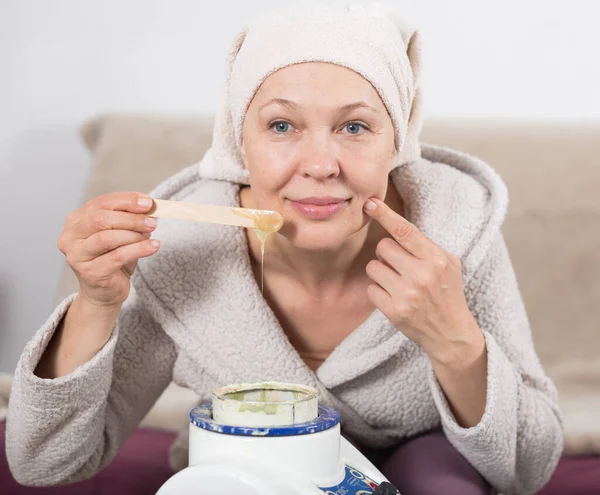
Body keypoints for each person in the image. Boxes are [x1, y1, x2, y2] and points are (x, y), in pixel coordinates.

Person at [6, 4, 562, 494]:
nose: (320, 165)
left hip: (426, 468)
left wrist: (457, 341)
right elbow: (45, 462)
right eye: (281, 125)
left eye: (354, 128)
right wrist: (96, 304)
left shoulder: (457, 231)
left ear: (397, 141)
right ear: (237, 140)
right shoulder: (177, 255)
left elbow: (530, 465)